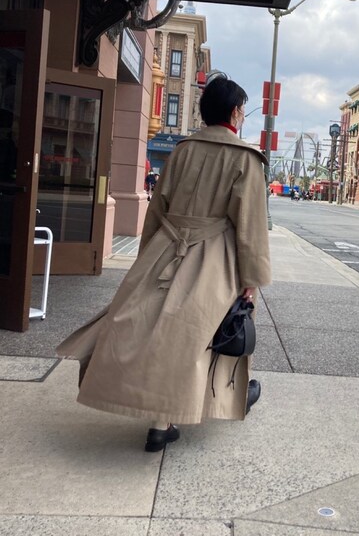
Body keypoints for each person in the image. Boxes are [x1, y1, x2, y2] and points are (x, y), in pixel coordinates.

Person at [57, 73, 271, 452]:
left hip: (167, 248)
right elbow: (250, 225)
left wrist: (148, 256)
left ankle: (161, 420)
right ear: (235, 112)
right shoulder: (245, 158)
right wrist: (251, 277)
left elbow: (158, 207)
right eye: (242, 109)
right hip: (214, 257)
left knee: (154, 330)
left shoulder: (182, 150)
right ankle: (208, 402)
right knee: (210, 332)